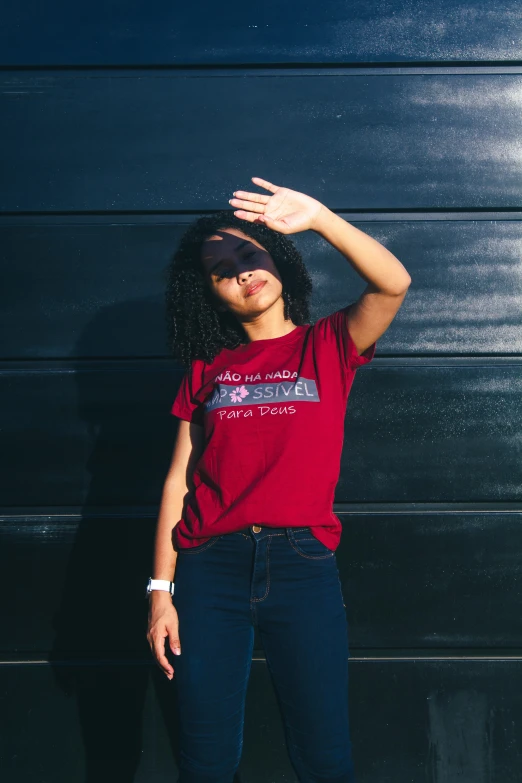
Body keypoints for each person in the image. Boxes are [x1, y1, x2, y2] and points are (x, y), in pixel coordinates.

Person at [146, 176, 411, 783]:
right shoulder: (208, 368)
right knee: (206, 758)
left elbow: (393, 282)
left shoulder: (329, 346)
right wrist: (160, 593)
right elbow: (177, 483)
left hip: (301, 563)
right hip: (209, 568)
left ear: (279, 258)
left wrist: (319, 216)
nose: (240, 271)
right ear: (209, 296)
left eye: (248, 253)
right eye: (220, 270)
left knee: (324, 755)